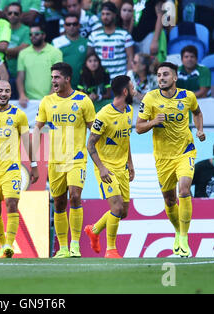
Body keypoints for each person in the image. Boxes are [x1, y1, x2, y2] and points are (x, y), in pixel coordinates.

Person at [136, 62, 206, 258]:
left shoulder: (187, 96)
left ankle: (183, 238)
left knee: (184, 189)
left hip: (185, 151)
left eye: (165, 74)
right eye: (158, 75)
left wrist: (199, 129)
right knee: (169, 199)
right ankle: (177, 230)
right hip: (162, 157)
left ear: (174, 78)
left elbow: (197, 112)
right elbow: (139, 127)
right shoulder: (150, 98)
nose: (161, 78)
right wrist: (153, 122)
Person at [33, 62, 95, 258]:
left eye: (57, 77)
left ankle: (75, 244)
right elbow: (37, 128)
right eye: (52, 77)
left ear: (67, 79)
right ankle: (63, 248)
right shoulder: (47, 101)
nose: (53, 81)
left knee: (75, 196)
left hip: (77, 158)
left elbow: (94, 130)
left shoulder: (83, 101)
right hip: (55, 160)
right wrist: (34, 159)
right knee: (59, 203)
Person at [0, 80, 39, 258]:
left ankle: (9, 245)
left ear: (11, 94)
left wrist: (34, 165)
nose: (3, 94)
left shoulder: (19, 115)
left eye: (7, 91)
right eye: (0, 91)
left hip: (11, 168)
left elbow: (27, 141)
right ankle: (2, 244)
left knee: (12, 204)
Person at [84, 75, 135, 258]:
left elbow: (125, 138)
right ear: (125, 91)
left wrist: (130, 163)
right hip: (105, 168)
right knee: (116, 208)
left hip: (122, 167)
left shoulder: (129, 111)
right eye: (132, 87)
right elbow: (90, 144)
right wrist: (102, 168)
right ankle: (111, 250)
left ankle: (95, 230)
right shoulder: (103, 115)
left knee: (124, 212)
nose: (135, 90)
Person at [16, 23, 63, 107]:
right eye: (31, 34)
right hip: (29, 102)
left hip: (51, 100)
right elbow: (20, 77)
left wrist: (50, 96)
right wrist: (22, 95)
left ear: (43, 35)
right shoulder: (23, 53)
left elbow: (58, 77)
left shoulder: (55, 52)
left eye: (36, 34)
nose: (33, 36)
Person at [87, 1, 134, 79]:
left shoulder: (125, 35)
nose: (105, 17)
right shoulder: (93, 36)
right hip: (101, 80)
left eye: (108, 14)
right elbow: (89, 58)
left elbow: (130, 58)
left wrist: (128, 78)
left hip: (120, 80)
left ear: (114, 15)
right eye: (103, 14)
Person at [52, 13, 88, 90]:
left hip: (81, 86)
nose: (71, 26)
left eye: (74, 24)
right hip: (61, 86)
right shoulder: (56, 42)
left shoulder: (86, 42)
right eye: (68, 24)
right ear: (64, 26)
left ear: (79, 25)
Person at [5, 2, 31, 99]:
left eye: (16, 13)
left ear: (21, 15)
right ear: (6, 14)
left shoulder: (26, 30)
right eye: (10, 13)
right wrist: (13, 52)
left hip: (19, 73)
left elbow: (23, 49)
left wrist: (4, 51)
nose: (12, 15)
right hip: (3, 71)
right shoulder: (3, 27)